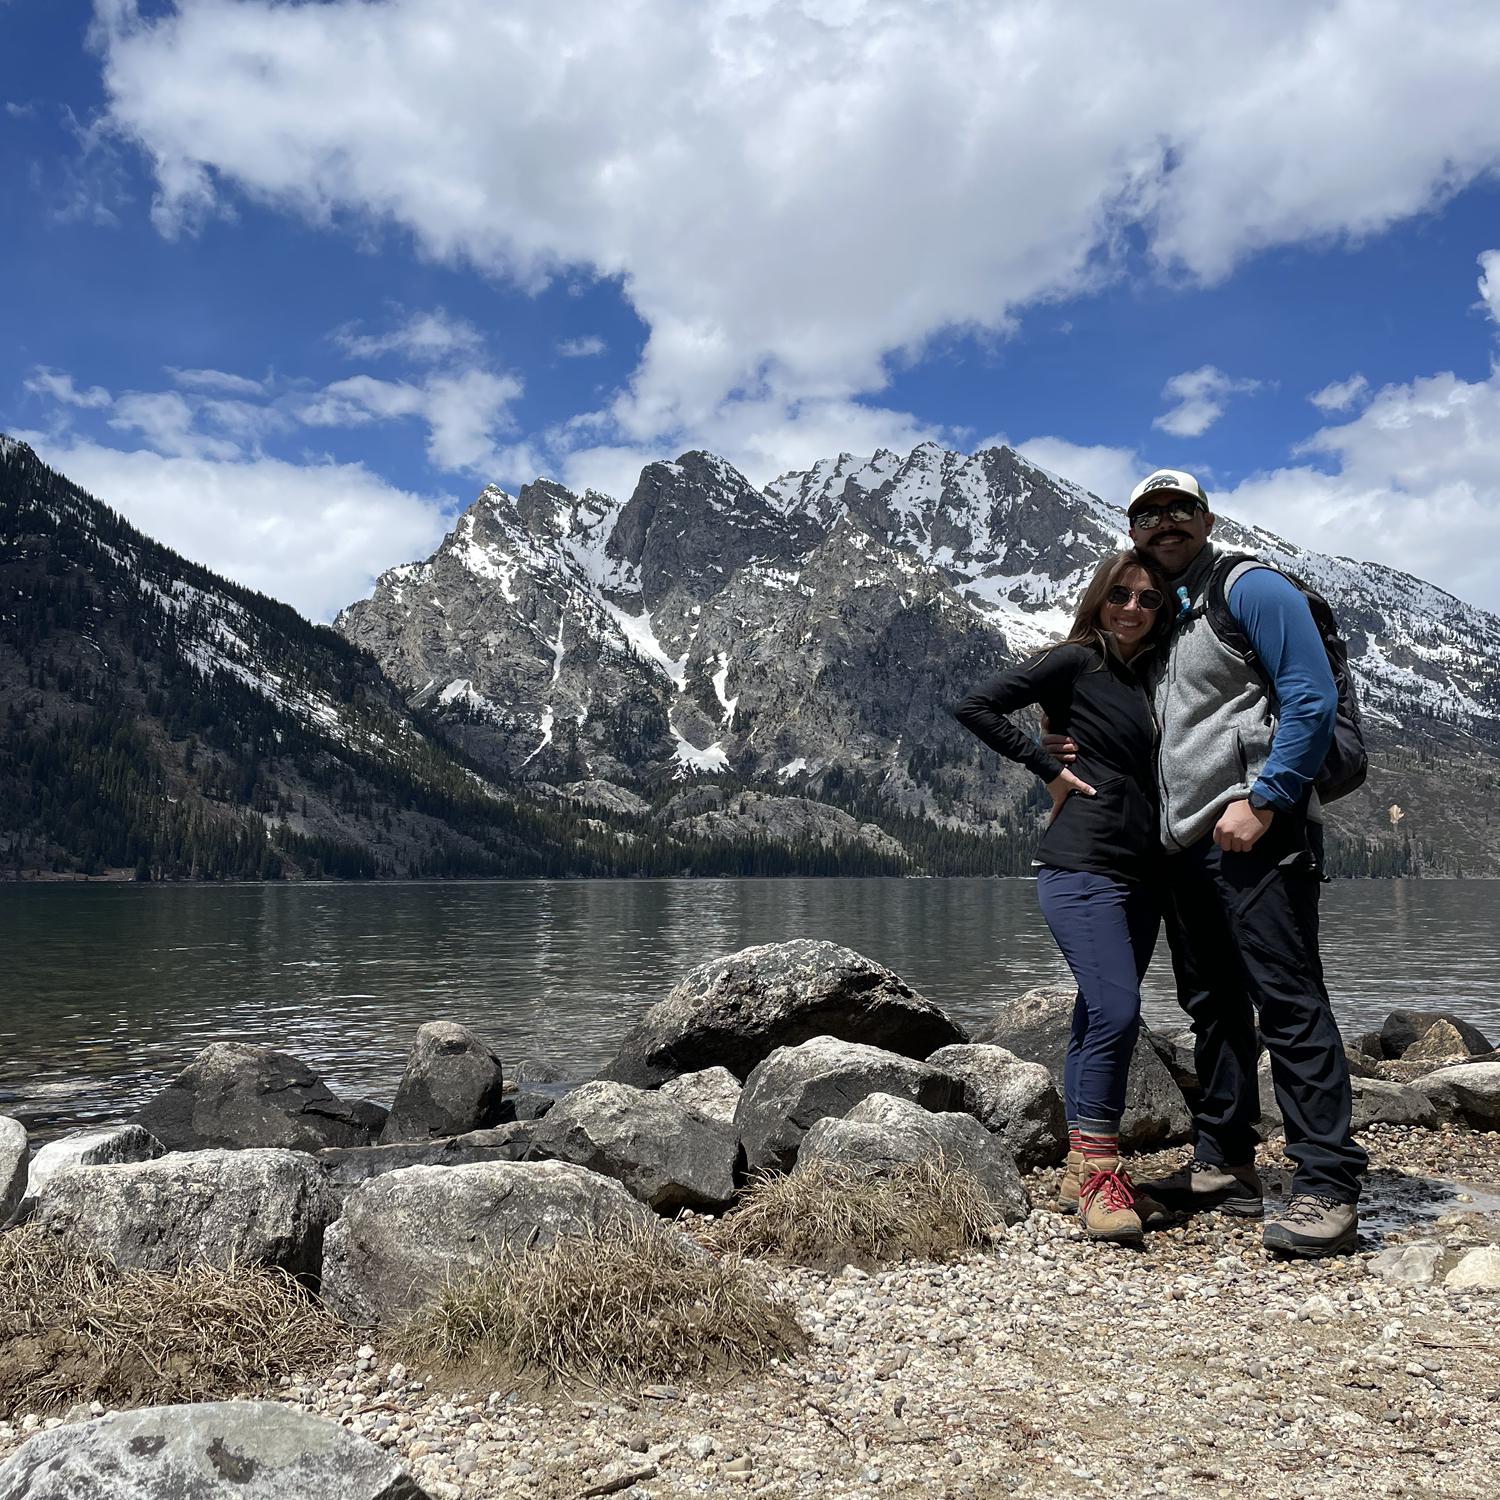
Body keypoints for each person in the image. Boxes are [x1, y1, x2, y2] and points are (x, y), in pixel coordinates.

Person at [1047, 469, 1366, 1257]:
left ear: (1207, 518)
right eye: (1147, 513)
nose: (1165, 522)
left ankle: (1328, 1184)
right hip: (1185, 847)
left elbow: (1311, 698)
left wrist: (1267, 799)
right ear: (1132, 530)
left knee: (1288, 1002)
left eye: (1179, 509)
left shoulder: (1248, 588)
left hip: (1259, 834)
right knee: (1215, 1008)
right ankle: (1224, 1163)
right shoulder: (1163, 613)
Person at [953, 550, 1171, 1243]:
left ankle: (1080, 1167)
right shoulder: (1077, 660)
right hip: (1081, 866)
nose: (1132, 609)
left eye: (1148, 599)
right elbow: (975, 705)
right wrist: (1045, 765)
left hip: (1143, 873)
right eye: (1120, 595)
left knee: (1095, 1016)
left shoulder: (1150, 676)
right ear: (1099, 599)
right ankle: (1103, 1174)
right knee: (1118, 1011)